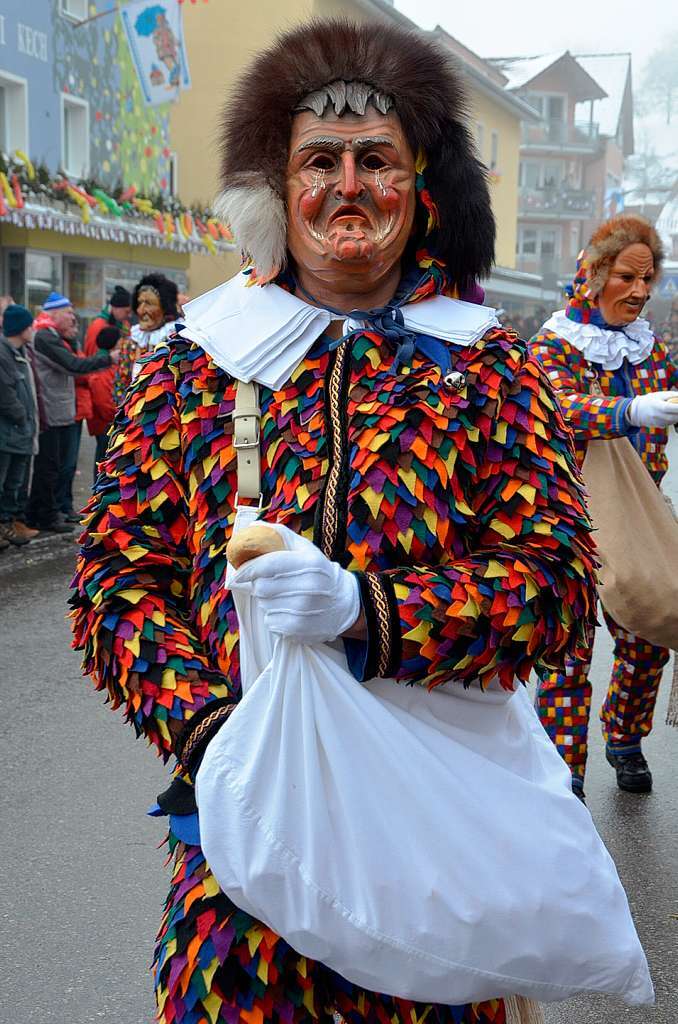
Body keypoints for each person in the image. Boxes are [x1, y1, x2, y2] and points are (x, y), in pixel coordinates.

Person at [72, 21, 600, 1024]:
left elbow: (558, 583)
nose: (347, 185)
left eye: (377, 161)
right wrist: (214, 729)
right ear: (276, 188)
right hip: (241, 836)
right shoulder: (197, 360)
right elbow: (114, 579)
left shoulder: (486, 365)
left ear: (423, 189)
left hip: (436, 829)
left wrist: (371, 607)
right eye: (319, 160)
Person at [529, 214, 678, 800]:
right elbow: (556, 408)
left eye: (648, 279)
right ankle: (563, 787)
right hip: (565, 522)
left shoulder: (652, 350)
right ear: (592, 275)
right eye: (626, 277)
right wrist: (627, 412)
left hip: (636, 523)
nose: (640, 292)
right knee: (568, 657)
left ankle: (624, 732)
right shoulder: (553, 343)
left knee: (648, 635)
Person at [27, 292, 118, 532]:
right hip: (50, 412)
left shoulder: (57, 335)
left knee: (57, 465)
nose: (73, 317)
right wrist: (107, 359)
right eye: (68, 312)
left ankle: (48, 511)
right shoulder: (45, 337)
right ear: (53, 313)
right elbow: (73, 365)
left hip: (61, 410)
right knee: (49, 466)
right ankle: (45, 515)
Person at [83, 287, 134, 477]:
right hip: (103, 408)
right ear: (115, 307)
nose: (127, 316)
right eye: (126, 311)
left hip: (108, 401)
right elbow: (91, 361)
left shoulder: (121, 324)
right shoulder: (99, 326)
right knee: (103, 454)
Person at [0, 304, 39, 548]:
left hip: (20, 433)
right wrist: (22, 416)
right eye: (29, 324)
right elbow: (6, 394)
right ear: (20, 328)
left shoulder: (20, 352)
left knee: (13, 483)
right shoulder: (3, 354)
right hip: (9, 432)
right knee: (3, 480)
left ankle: (8, 524)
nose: (33, 328)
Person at [130, 273, 180, 373]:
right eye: (139, 303)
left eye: (148, 303)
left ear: (165, 308)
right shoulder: (132, 342)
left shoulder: (176, 343)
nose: (141, 310)